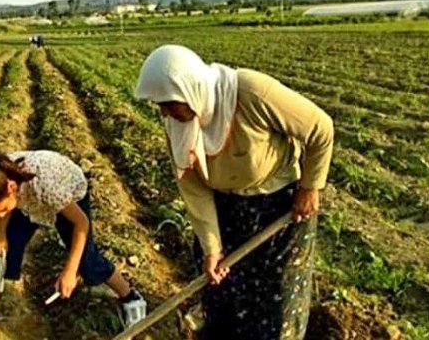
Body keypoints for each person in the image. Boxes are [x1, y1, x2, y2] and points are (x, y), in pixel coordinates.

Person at [134, 45, 333, 339]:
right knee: (223, 293)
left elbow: (321, 128)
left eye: (168, 103)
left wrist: (310, 187)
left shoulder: (252, 93)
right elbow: (194, 189)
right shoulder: (178, 123)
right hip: (225, 207)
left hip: (278, 207)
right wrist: (212, 248)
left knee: (274, 299)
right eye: (159, 105)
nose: (164, 112)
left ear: (190, 90)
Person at [0, 150, 147, 339]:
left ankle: (131, 297)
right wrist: (0, 233)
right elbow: (4, 210)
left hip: (68, 194)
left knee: (86, 260)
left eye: (1, 210)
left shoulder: (46, 187)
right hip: (26, 197)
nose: (0, 216)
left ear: (10, 188)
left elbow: (82, 224)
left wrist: (70, 271)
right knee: (5, 247)